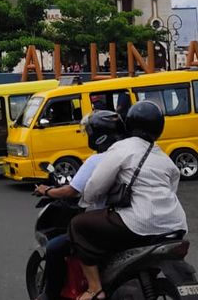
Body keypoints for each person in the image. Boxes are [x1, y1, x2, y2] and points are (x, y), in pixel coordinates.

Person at [68, 101, 188, 300]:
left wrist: (87, 200)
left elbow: (95, 186)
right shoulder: (163, 157)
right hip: (176, 225)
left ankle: (95, 288)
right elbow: (171, 190)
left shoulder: (122, 148)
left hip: (139, 224)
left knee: (77, 225)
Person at [32, 111, 127, 300]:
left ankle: (54, 295)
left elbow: (71, 191)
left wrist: (47, 191)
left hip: (106, 223)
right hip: (133, 221)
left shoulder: (96, 160)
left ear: (97, 135)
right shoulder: (131, 155)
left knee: (55, 248)